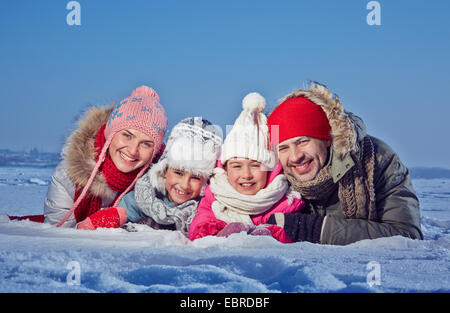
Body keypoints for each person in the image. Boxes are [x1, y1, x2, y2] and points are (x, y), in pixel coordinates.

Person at [266, 81, 423, 245]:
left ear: (326, 138)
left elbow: (407, 236)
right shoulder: (273, 177)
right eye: (283, 148)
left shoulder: (377, 158)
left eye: (303, 142)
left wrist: (314, 230)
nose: (295, 157)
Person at [43, 85, 167, 228]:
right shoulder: (69, 176)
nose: (133, 151)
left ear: (155, 151)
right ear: (110, 134)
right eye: (127, 135)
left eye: (146, 144)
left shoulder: (163, 183)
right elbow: (58, 237)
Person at [189, 92, 305, 243]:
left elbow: (296, 236)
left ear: (270, 169)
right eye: (237, 166)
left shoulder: (285, 200)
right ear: (225, 169)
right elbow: (199, 226)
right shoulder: (215, 197)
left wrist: (271, 235)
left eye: (256, 165)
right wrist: (220, 233)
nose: (246, 174)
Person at [76, 117, 223, 237]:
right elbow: (122, 212)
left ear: (205, 181)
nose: (184, 185)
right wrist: (91, 225)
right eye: (178, 173)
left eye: (196, 178)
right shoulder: (147, 195)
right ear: (164, 170)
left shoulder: (203, 207)